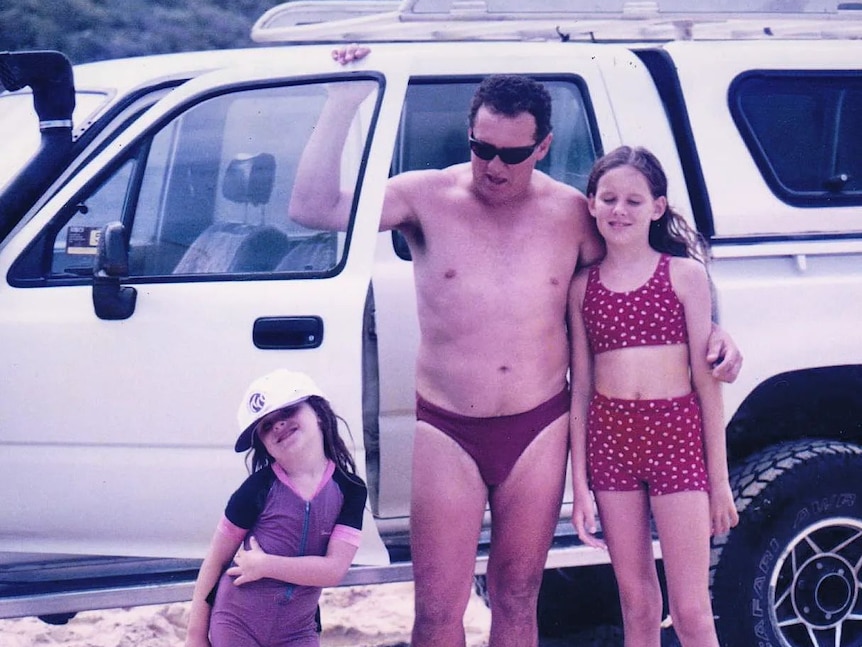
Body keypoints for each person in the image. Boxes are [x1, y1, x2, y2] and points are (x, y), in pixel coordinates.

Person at [288, 45, 743, 647]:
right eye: (481, 148)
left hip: (538, 426)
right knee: (437, 610)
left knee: (518, 595)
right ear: (469, 134)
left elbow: (645, 273)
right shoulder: (426, 197)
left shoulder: (571, 213)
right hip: (447, 427)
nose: (493, 167)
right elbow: (313, 208)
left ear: (543, 147)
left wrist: (719, 332)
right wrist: (343, 101)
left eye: (511, 154)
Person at [568, 146, 740, 647]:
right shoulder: (583, 287)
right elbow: (581, 388)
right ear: (593, 204)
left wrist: (720, 480)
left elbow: (707, 385)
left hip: (677, 441)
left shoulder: (684, 275)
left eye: (633, 201)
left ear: (657, 208)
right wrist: (580, 486)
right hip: (611, 444)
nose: (619, 210)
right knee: (637, 603)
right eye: (609, 198)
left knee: (691, 610)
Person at [185, 369, 367, 647]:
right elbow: (216, 561)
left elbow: (333, 570)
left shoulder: (350, 490)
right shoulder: (256, 489)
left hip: (298, 630)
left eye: (289, 410)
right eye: (266, 426)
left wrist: (267, 565)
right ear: (263, 445)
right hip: (236, 621)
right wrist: (195, 636)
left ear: (318, 412)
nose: (278, 426)